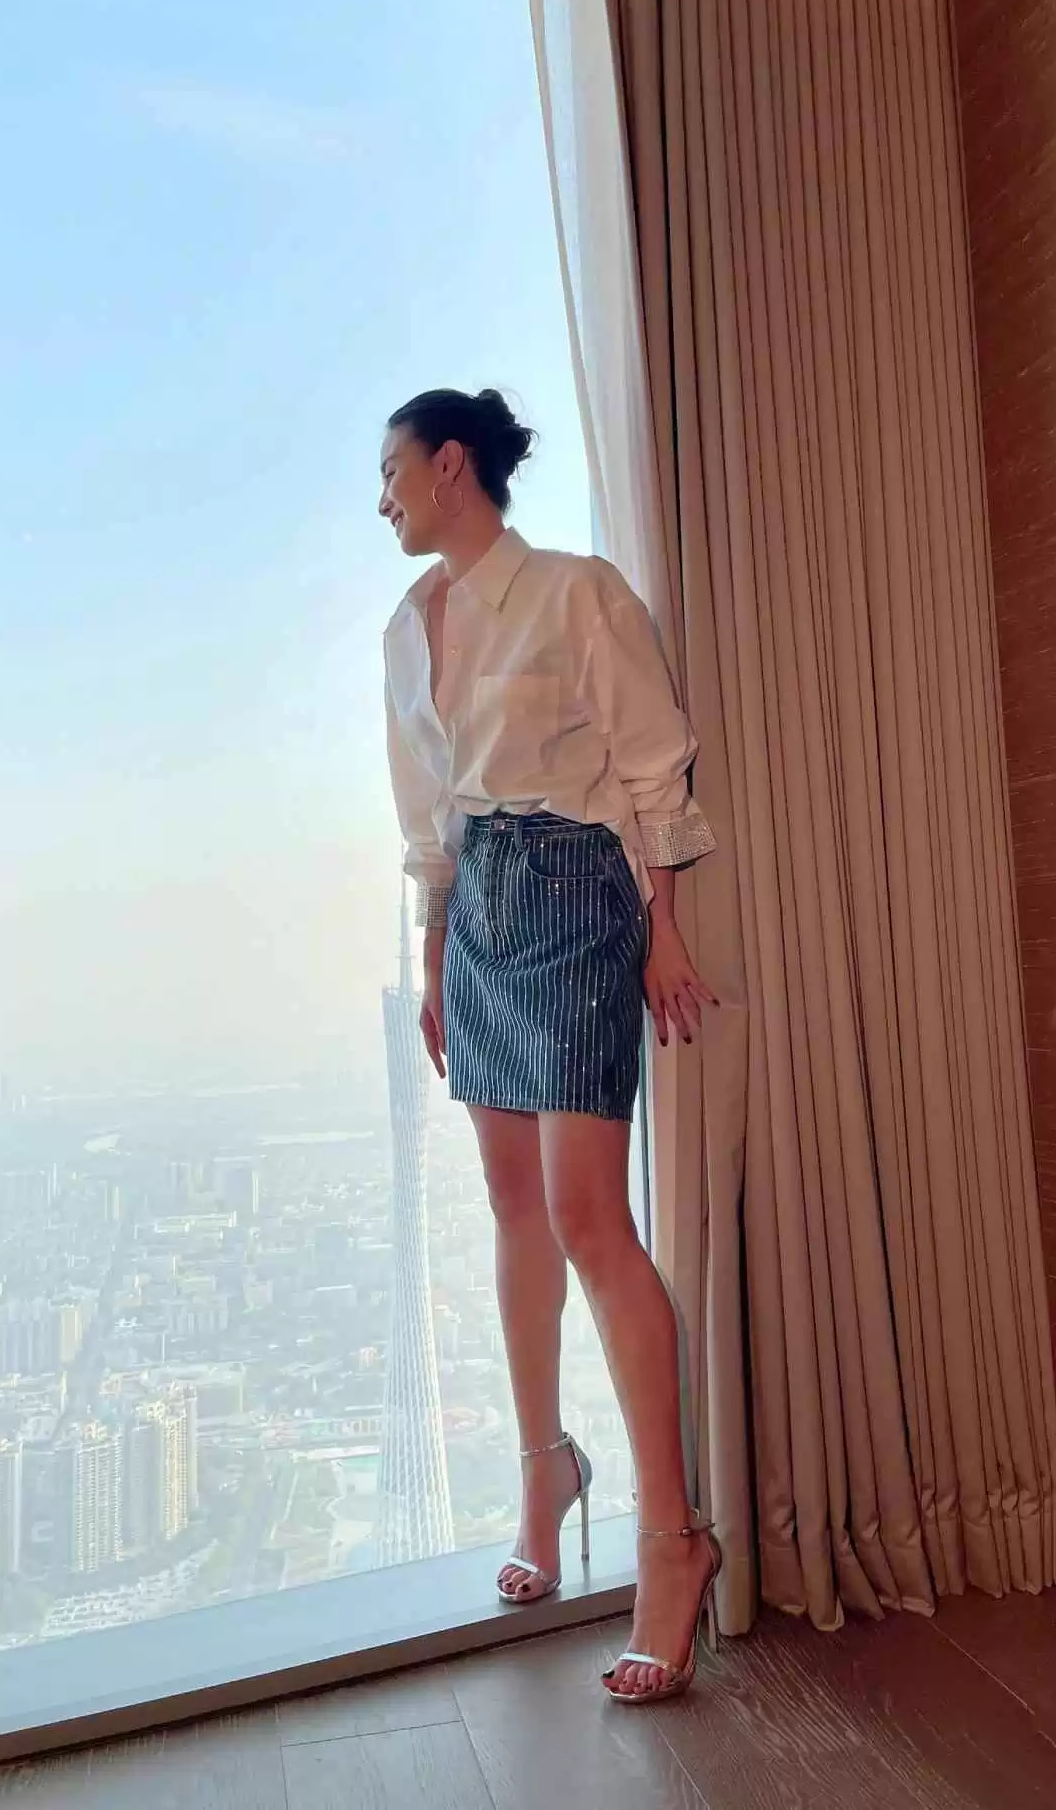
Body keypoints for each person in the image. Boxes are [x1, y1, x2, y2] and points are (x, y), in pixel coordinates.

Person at [380, 386, 720, 1704]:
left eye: (393, 472)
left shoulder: (578, 591)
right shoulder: (406, 629)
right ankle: (545, 1476)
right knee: (512, 1206)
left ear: (449, 464)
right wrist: (433, 959)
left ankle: (673, 1541)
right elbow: (427, 814)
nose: (382, 500)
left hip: (580, 896)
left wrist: (664, 932)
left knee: (589, 1218)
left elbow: (652, 766)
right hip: (476, 917)